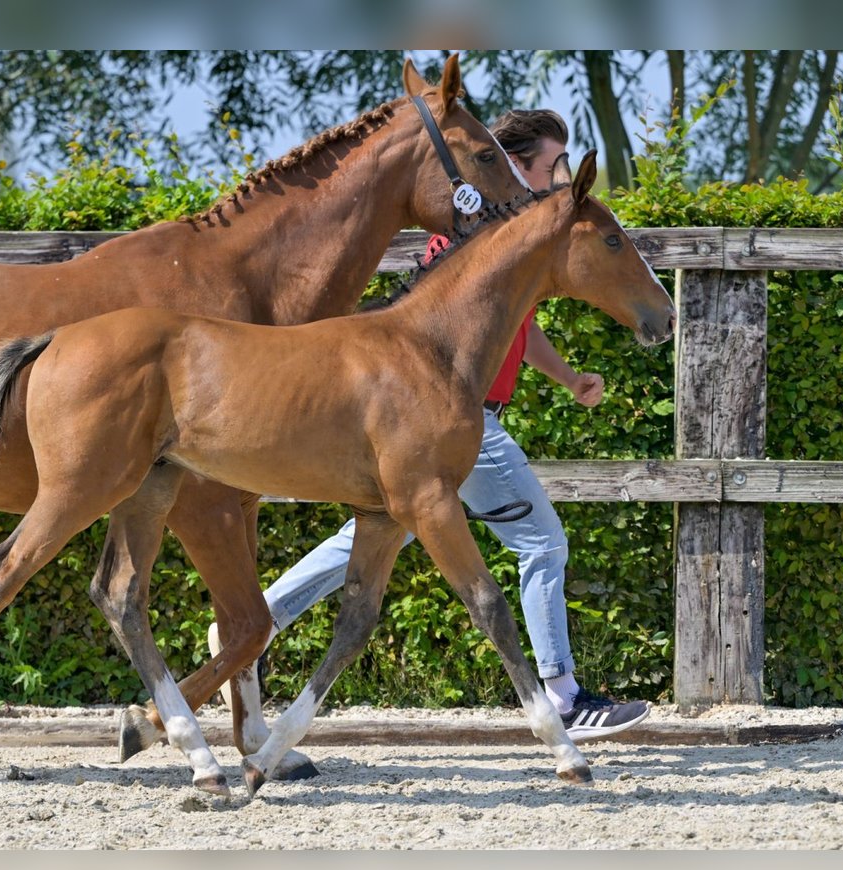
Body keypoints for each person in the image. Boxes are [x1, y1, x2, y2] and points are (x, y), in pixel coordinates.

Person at [209, 109, 649, 742]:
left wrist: (567, 378)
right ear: (517, 166)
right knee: (543, 544)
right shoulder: (471, 244)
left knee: (372, 539)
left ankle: (257, 618)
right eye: (550, 164)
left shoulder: (516, 247)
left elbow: (524, 329)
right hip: (458, 423)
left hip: (469, 420)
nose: (555, 177)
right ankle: (564, 696)